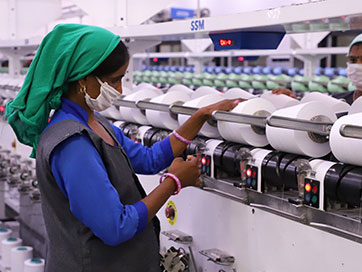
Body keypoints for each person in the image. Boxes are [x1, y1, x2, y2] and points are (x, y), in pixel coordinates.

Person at [5, 24, 243, 272]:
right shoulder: (72, 143)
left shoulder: (95, 123)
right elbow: (116, 227)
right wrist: (172, 182)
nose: (119, 90)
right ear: (83, 79)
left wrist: (199, 118)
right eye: (114, 80)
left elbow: (148, 159)